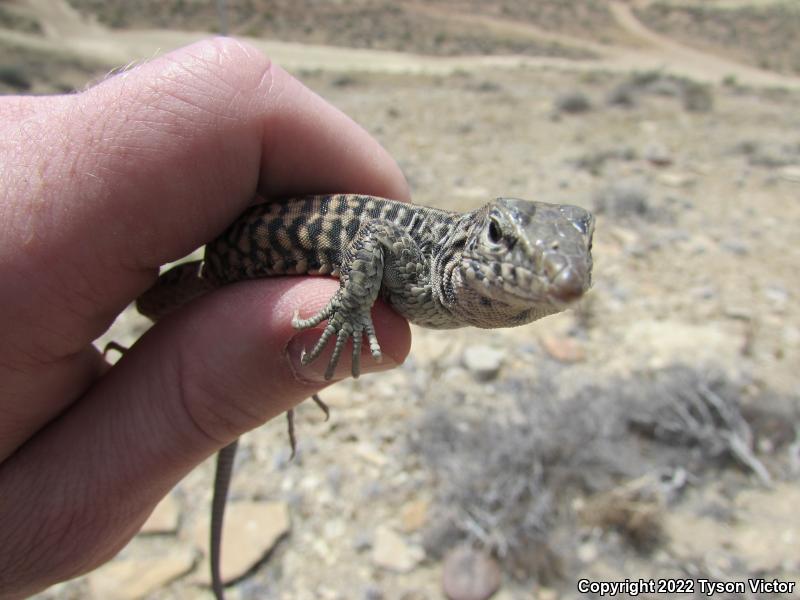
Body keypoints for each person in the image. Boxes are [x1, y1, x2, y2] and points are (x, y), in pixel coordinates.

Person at [0, 38, 411, 597]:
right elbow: (157, 301)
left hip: (238, 273)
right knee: (175, 313)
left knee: (215, 328)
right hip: (229, 265)